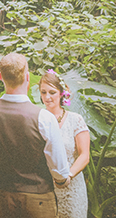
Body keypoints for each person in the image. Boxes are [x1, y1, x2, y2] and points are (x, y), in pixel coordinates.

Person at [0, 53, 71, 218]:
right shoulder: (43, 117)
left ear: (0, 77)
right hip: (39, 199)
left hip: (6, 196)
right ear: (27, 77)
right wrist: (63, 180)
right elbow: (59, 168)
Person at [39, 70, 90, 218]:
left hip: (71, 188)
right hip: (44, 189)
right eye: (43, 92)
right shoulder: (37, 119)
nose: (47, 97)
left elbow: (84, 155)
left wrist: (68, 176)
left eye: (52, 92)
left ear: (62, 93)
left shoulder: (75, 119)